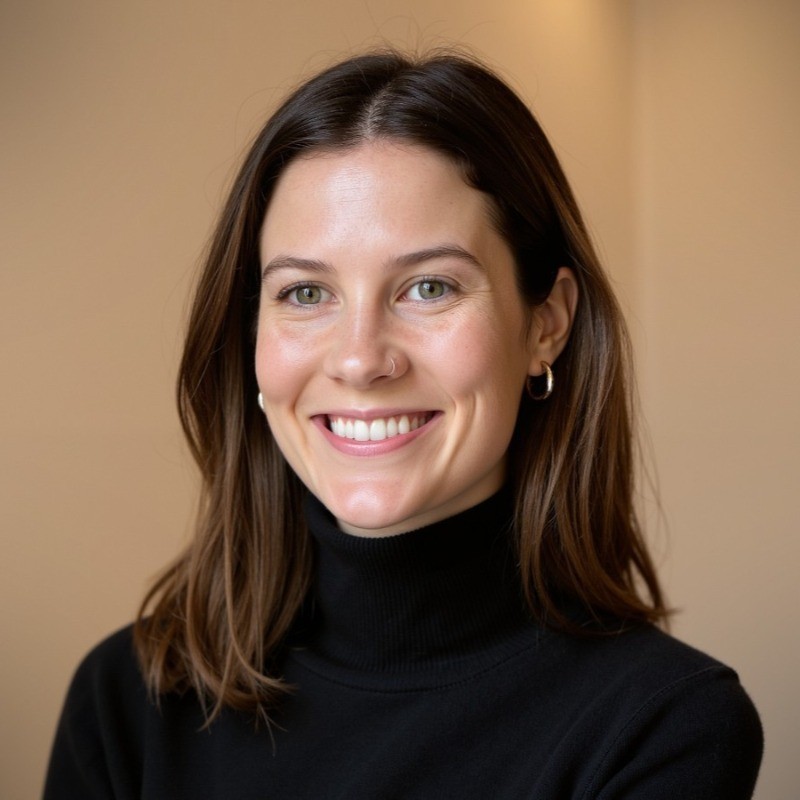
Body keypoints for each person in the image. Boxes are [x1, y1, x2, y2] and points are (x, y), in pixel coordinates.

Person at [44, 50, 762, 799]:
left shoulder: (663, 728)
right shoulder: (128, 702)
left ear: (545, 323)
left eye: (427, 286)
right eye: (305, 294)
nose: (360, 360)